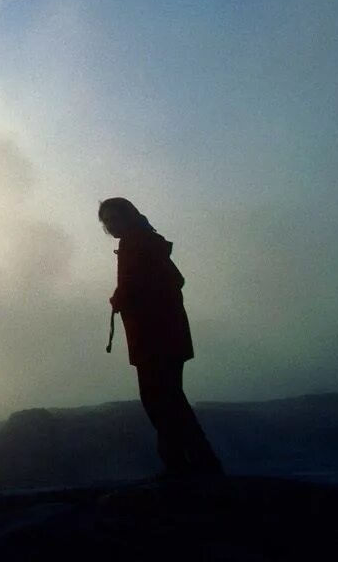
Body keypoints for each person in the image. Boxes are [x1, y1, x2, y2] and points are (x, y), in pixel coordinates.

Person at [99, 196, 223, 478]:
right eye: (106, 221)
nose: (110, 224)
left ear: (127, 216)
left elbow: (134, 286)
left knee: (160, 402)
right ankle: (188, 464)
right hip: (167, 335)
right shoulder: (149, 241)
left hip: (152, 337)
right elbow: (176, 280)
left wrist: (120, 298)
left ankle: (193, 466)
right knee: (169, 400)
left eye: (113, 218)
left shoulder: (134, 243)